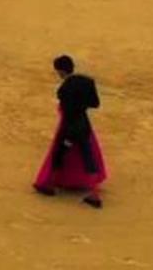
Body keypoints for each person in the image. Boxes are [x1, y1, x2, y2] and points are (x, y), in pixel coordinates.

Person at [33, 55, 106, 208]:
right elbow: (95, 104)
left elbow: (67, 112)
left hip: (70, 127)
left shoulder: (64, 89)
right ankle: (94, 194)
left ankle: (47, 184)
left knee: (59, 154)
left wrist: (67, 134)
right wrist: (82, 104)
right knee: (88, 157)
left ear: (60, 71)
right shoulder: (88, 82)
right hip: (84, 125)